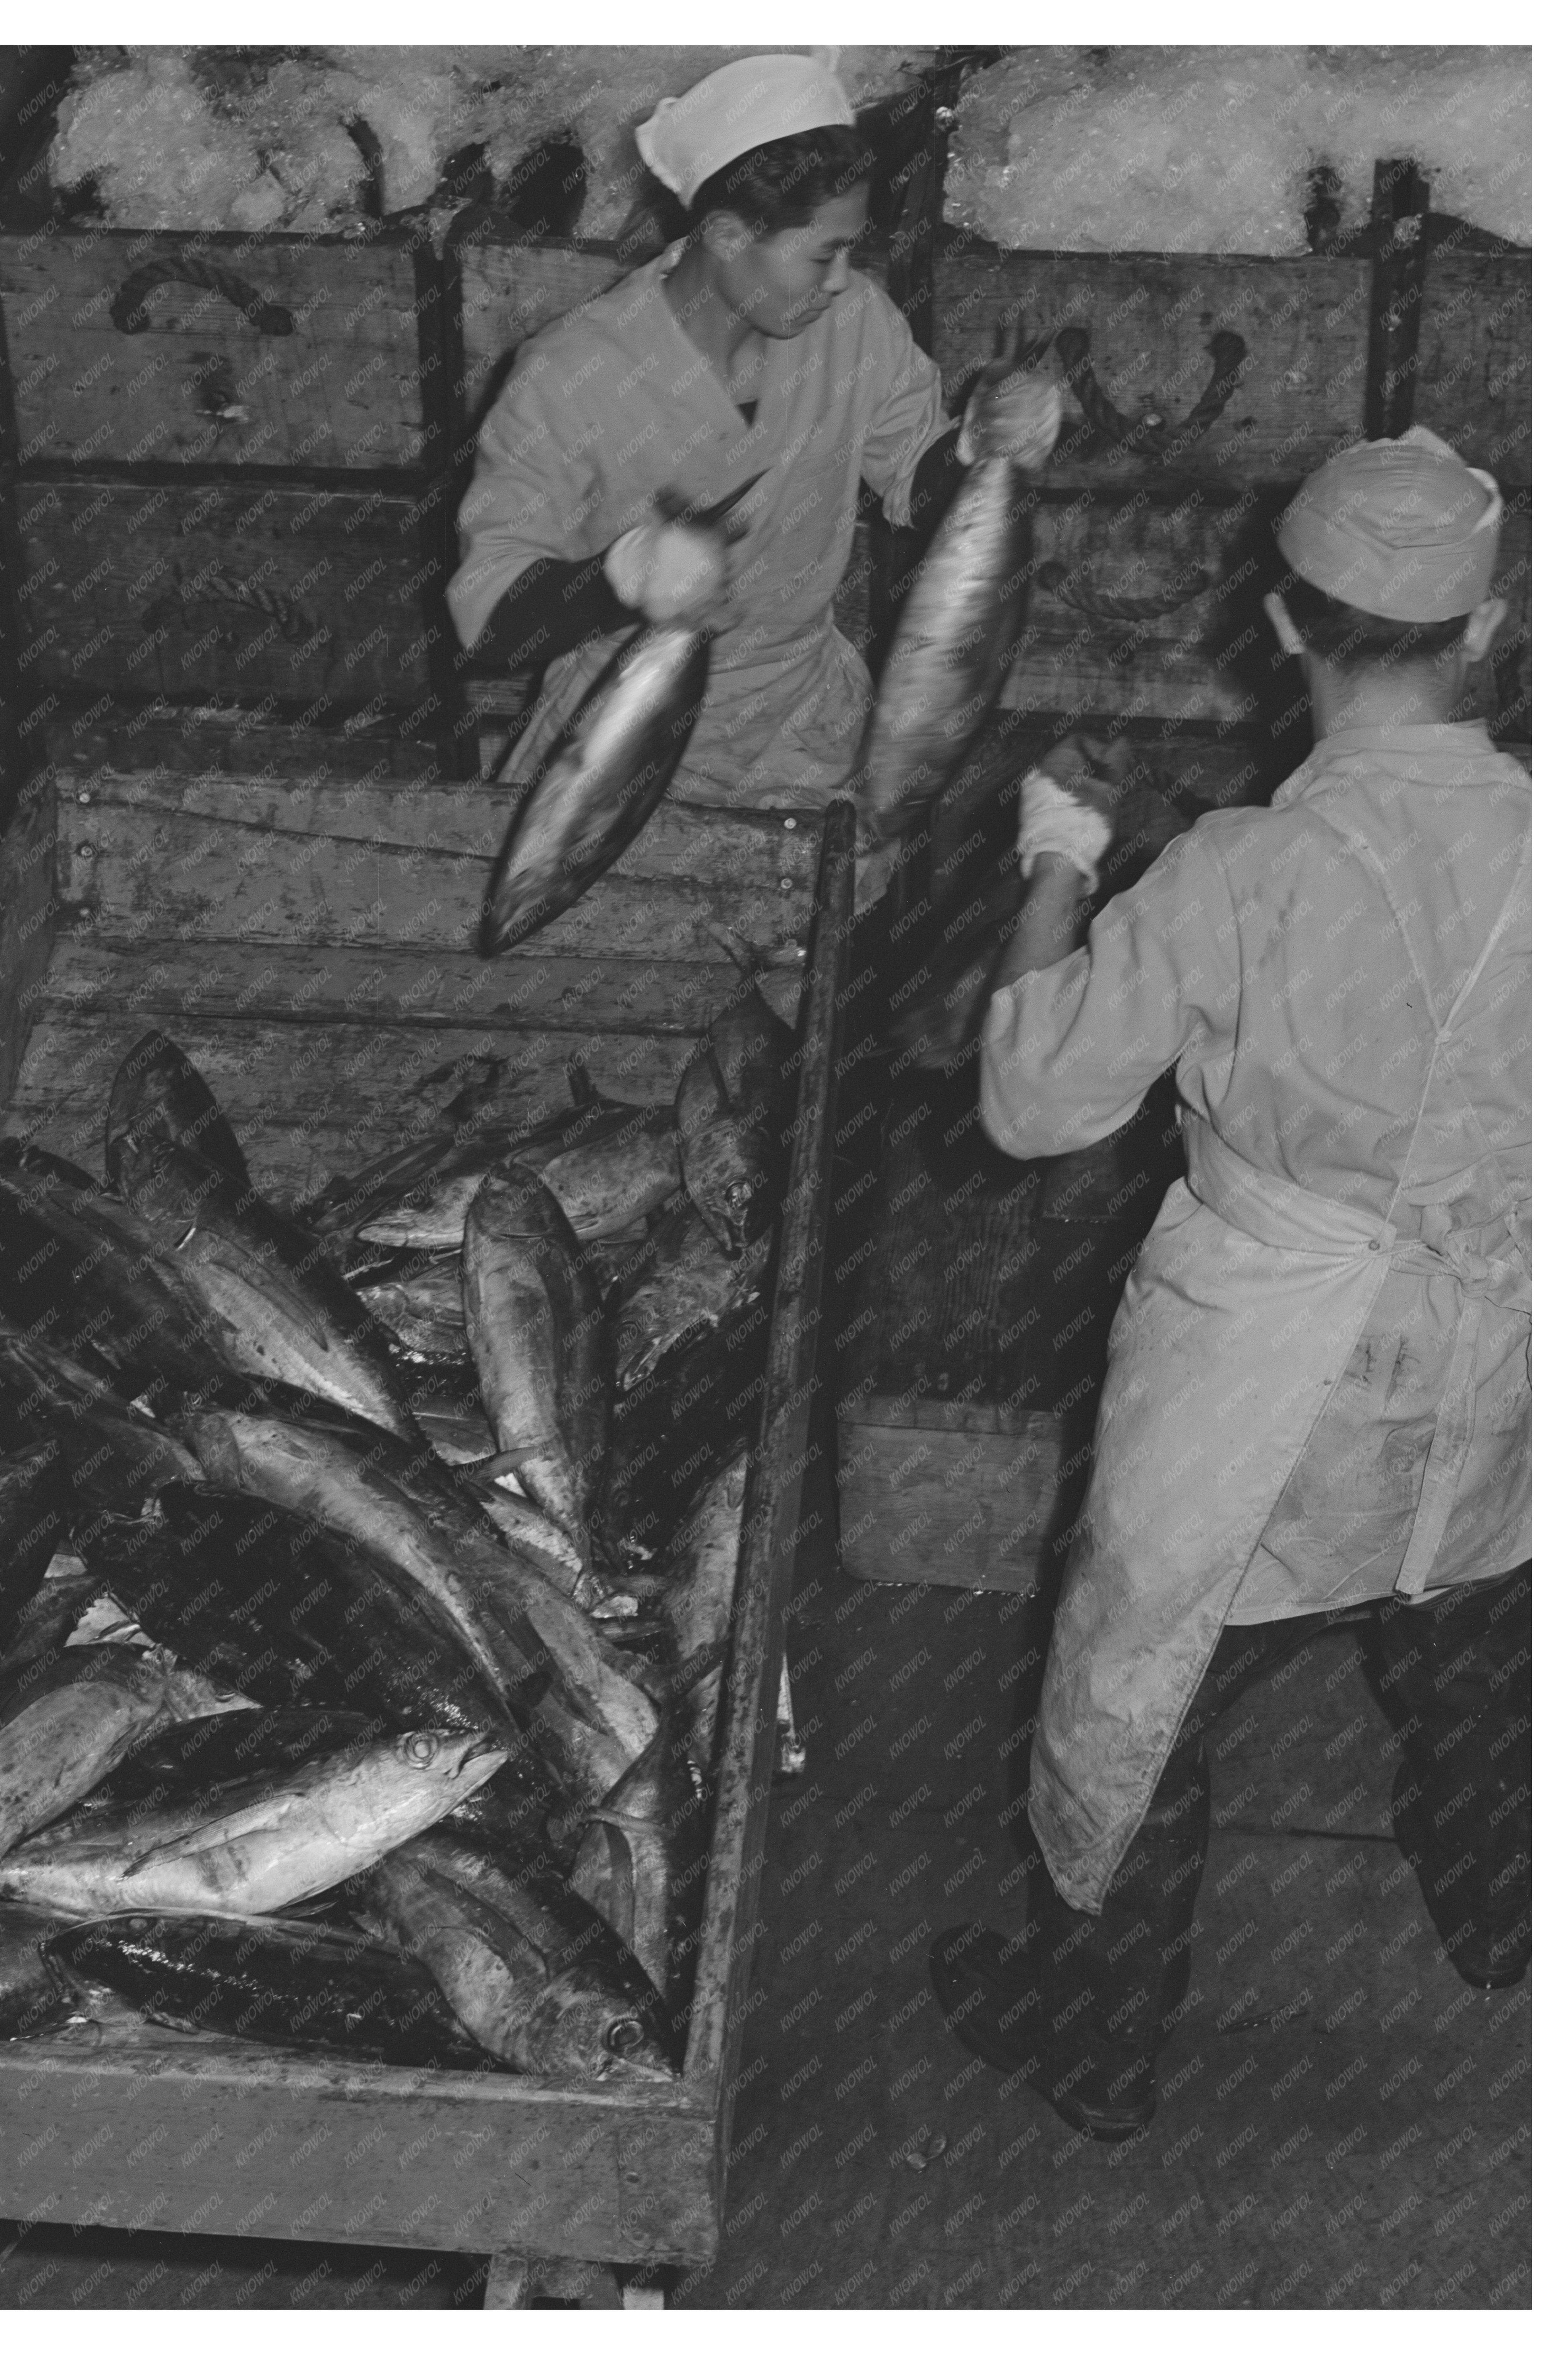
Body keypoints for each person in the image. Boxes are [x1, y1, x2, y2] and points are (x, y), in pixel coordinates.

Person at [928, 425, 1531, 2141]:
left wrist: (1055, 857)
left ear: (1281, 628)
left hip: (1264, 1376)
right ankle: (1498, 1923)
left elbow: (1032, 1099)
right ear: (1482, 634)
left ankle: (1096, 2039)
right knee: (1476, 1647)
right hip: (1501, 1363)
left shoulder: (1236, 873)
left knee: (1146, 1694)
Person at [446, 51, 1060, 842]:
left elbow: (921, 482)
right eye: (821, 254)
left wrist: (983, 449)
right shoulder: (569, 375)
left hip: (803, 740)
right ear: (730, 235)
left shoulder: (855, 325)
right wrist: (617, 577)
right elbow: (488, 620)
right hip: (609, 750)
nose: (842, 279)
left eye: (851, 250)